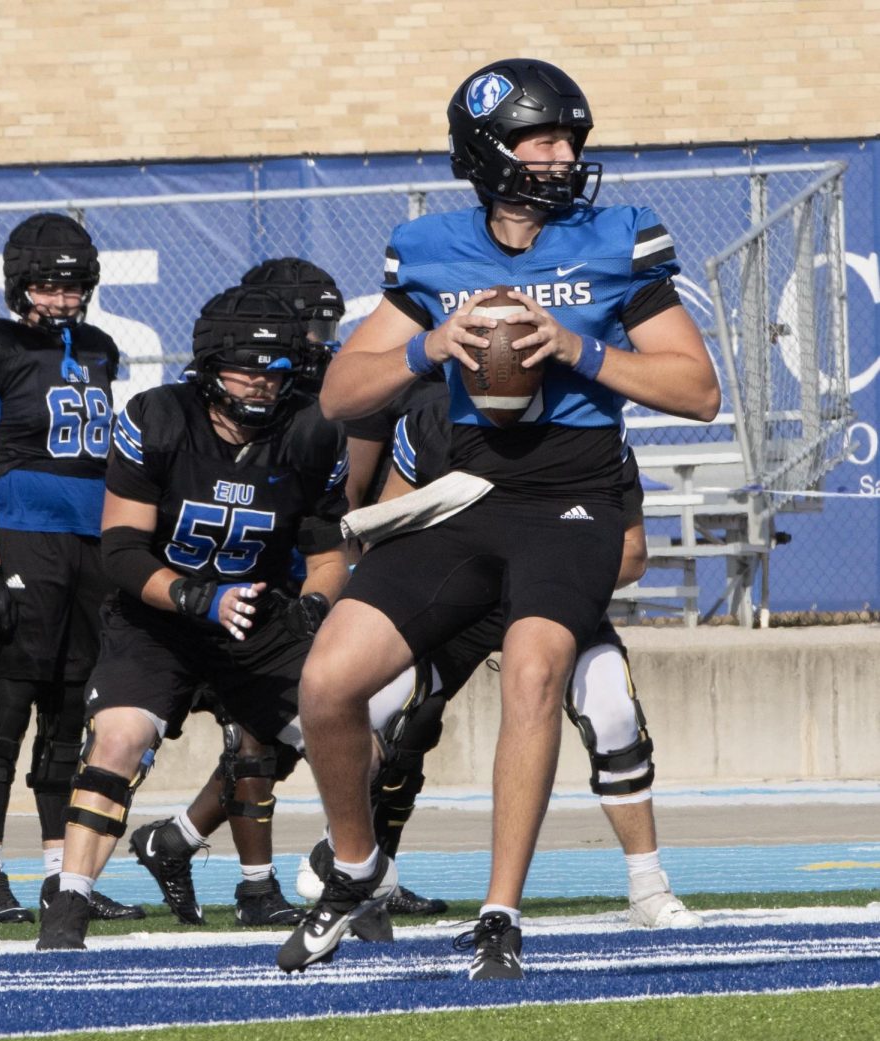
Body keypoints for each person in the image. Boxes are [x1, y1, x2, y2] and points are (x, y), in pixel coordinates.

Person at [279, 58, 719, 979]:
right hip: (469, 494)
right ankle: (357, 867)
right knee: (327, 683)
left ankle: (498, 911)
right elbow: (342, 391)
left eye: (570, 139)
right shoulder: (430, 248)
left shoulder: (617, 238)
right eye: (545, 138)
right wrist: (426, 343)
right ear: (490, 150)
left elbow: (697, 388)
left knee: (534, 674)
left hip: (575, 496)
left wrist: (578, 348)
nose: (565, 155)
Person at [37, 283, 411, 950]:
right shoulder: (158, 417)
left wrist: (316, 606)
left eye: (276, 368)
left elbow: (327, 550)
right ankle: (68, 906)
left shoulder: (312, 431)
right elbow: (120, 548)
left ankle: (349, 877)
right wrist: (191, 595)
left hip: (256, 622)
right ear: (210, 364)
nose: (264, 381)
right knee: (119, 739)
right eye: (247, 365)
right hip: (158, 617)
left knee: (363, 740)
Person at [296, 401, 700, 931]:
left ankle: (648, 886)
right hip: (460, 600)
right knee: (368, 709)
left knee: (612, 709)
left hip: (553, 592)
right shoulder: (428, 421)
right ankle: (353, 858)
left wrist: (546, 585)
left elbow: (631, 553)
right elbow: (388, 535)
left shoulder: (586, 422)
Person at [0, 212, 143, 926]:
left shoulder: (97, 347)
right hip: (24, 538)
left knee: (71, 715)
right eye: (48, 286)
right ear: (19, 283)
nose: (63, 300)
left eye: (73, 286)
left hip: (91, 544)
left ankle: (64, 878)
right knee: (7, 707)